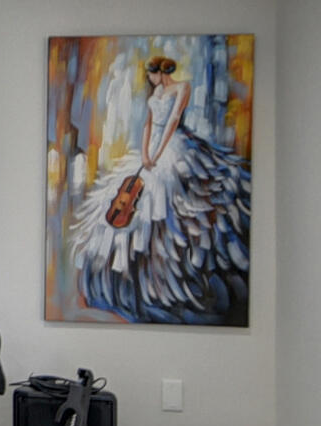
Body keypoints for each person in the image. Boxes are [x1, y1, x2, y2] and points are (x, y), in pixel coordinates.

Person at [70, 53, 252, 325]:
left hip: (173, 144)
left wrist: (159, 152)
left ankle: (165, 281)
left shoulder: (183, 88)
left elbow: (174, 121)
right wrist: (145, 153)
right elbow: (147, 124)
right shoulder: (156, 91)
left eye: (152, 75)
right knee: (128, 201)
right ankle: (129, 281)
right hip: (151, 147)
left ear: (160, 72)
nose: (151, 80)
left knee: (169, 204)